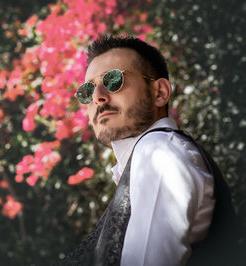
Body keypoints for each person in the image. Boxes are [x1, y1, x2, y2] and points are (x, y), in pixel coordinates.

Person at [57, 35, 240, 266]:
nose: (98, 97)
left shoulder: (157, 151)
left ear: (160, 92)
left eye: (113, 80)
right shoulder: (147, 158)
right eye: (87, 90)